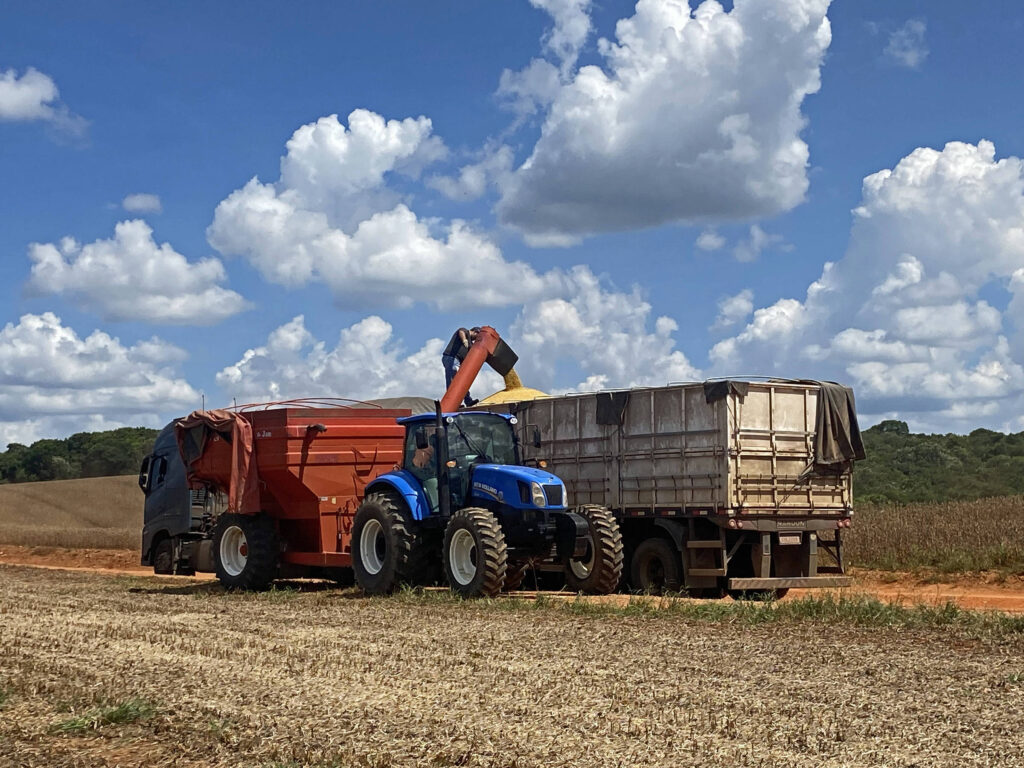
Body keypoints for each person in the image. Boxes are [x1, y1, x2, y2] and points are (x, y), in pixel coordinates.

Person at [442, 326, 479, 407]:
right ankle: (452, 402)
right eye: (477, 336)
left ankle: (467, 400)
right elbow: (461, 332)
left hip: (458, 361)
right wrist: (464, 340)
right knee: (452, 380)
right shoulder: (465, 332)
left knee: (462, 380)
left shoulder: (470, 344)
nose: (476, 339)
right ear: (475, 332)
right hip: (451, 357)